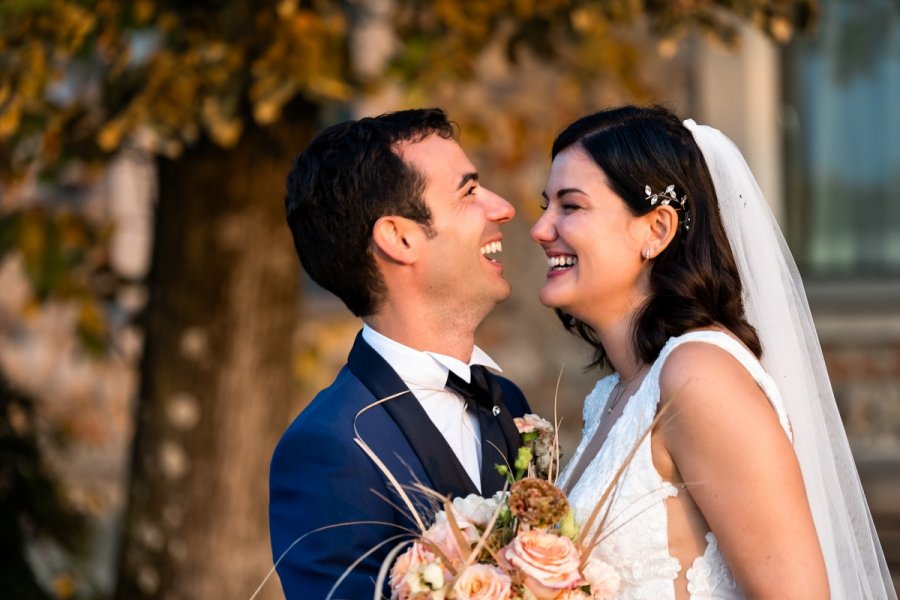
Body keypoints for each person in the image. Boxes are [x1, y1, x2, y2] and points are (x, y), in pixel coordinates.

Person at [531, 106, 895, 598]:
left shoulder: (699, 375)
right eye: (545, 205)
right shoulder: (612, 395)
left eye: (570, 206)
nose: (541, 229)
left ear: (656, 229)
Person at [270, 108, 530, 599]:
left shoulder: (511, 404)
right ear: (399, 237)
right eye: (468, 192)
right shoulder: (329, 448)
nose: (503, 207)